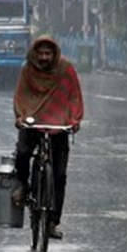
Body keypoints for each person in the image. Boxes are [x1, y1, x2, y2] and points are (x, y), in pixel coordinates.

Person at [11, 35, 84, 240]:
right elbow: (20, 96)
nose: (44, 57)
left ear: (54, 54)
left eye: (48, 53)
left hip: (59, 125)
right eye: (41, 53)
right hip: (33, 123)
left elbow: (74, 96)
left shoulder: (66, 70)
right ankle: (23, 185)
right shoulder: (27, 71)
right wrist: (21, 116)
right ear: (35, 54)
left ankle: (52, 221)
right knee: (24, 152)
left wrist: (74, 118)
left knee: (59, 175)